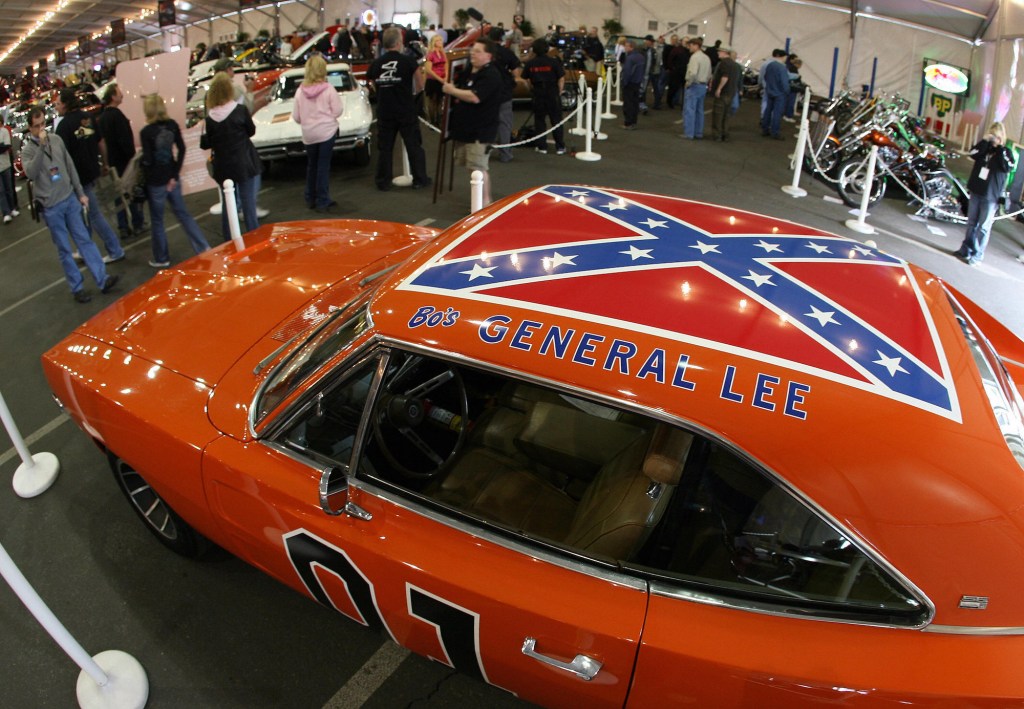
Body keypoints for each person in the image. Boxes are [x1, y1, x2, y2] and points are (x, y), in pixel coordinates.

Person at [22, 106, 117, 303]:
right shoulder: (27, 151)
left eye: (43, 124)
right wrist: (40, 147)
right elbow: (31, 173)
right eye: (36, 126)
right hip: (51, 207)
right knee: (64, 249)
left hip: (69, 199)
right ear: (29, 128)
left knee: (84, 240)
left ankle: (102, 278)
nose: (41, 129)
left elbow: (70, 166)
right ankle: (77, 287)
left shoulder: (56, 140)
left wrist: (80, 193)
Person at [54, 88, 125, 265]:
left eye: (57, 103)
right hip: (92, 170)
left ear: (64, 104)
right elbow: (100, 141)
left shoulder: (63, 127)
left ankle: (115, 249)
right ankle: (85, 249)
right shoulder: (88, 118)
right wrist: (105, 163)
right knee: (83, 213)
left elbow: (61, 157)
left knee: (93, 214)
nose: (55, 107)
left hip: (78, 177)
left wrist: (58, 180)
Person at [140, 94, 210, 268]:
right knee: (183, 214)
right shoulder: (172, 125)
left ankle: (161, 257)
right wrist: (174, 175)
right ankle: (203, 247)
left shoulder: (146, 132)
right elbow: (182, 149)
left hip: (156, 181)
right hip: (172, 177)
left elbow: (148, 159)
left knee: (157, 220)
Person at [366, 26, 431, 191]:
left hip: (384, 110)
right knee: (413, 145)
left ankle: (383, 181)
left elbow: (372, 85)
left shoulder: (376, 64)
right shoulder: (408, 61)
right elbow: (420, 84)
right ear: (399, 42)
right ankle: (419, 179)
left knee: (385, 147)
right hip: (405, 109)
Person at [442, 37, 502, 205]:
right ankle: (479, 202)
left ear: (488, 56)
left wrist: (452, 90)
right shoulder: (469, 71)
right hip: (466, 129)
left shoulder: (491, 75)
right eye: (472, 50)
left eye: (478, 51)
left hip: (480, 131)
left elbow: (475, 97)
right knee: (472, 167)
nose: (472, 54)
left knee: (479, 168)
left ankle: (485, 203)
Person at [203, 71, 262, 239]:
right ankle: (253, 237)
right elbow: (251, 131)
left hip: (223, 166)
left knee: (229, 205)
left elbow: (210, 142)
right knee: (248, 204)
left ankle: (228, 239)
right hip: (244, 163)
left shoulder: (210, 118)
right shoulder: (240, 110)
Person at [955, 122, 1017, 266]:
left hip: (991, 196)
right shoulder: (984, 148)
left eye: (996, 136)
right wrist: (984, 141)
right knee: (971, 223)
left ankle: (977, 255)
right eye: (992, 135)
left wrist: (1000, 148)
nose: (993, 138)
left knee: (983, 227)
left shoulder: (1005, 152)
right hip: (976, 191)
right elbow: (972, 153)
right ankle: (966, 249)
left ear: (1001, 137)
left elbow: (1008, 166)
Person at [291, 54, 342, 211]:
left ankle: (310, 197)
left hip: (309, 134)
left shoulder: (300, 91)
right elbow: (338, 110)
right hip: (326, 132)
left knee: (312, 165)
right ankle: (322, 200)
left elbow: (296, 116)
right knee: (323, 167)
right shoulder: (329, 89)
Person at [97, 83, 146, 239]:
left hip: (112, 162)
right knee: (131, 192)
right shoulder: (118, 116)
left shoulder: (102, 118)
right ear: (113, 96)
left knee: (118, 196)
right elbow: (125, 141)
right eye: (119, 92)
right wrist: (133, 158)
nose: (122, 94)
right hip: (125, 162)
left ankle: (123, 226)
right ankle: (138, 223)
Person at [521, 39, 566, 155]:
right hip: (552, 93)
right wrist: (559, 91)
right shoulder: (554, 62)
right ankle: (560, 147)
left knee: (540, 121)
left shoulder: (530, 63)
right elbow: (561, 78)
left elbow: (525, 79)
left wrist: (530, 88)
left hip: (538, 93)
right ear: (547, 49)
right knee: (556, 120)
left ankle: (542, 147)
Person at [488, 26, 521, 163]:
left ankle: (485, 152)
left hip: (487, 93)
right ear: (502, 38)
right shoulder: (507, 53)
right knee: (505, 124)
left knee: (487, 123)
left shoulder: (484, 52)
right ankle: (505, 154)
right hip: (504, 93)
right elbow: (516, 73)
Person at [682, 37, 711, 139]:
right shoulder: (706, 58)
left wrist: (688, 83)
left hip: (694, 85)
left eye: (690, 45)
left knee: (689, 110)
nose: (689, 47)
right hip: (703, 86)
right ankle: (698, 133)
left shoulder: (694, 57)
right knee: (699, 111)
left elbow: (693, 73)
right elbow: (709, 74)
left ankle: (689, 133)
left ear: (695, 45)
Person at [710, 45, 740, 141]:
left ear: (725, 52)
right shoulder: (735, 65)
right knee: (726, 115)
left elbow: (725, 77)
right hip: (731, 93)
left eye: (720, 51)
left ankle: (717, 135)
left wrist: (719, 88)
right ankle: (725, 134)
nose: (718, 53)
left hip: (723, 93)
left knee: (718, 115)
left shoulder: (724, 63)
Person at [760, 49, 790, 140]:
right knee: (777, 113)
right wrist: (787, 91)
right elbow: (784, 82)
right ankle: (775, 132)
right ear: (782, 57)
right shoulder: (782, 68)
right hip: (780, 93)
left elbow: (765, 77)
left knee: (767, 110)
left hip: (770, 91)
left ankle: (765, 129)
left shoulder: (770, 65)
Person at [422, 34, 448, 125]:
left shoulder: (442, 53)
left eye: (440, 40)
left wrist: (445, 77)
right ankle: (432, 121)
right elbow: (428, 70)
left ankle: (438, 119)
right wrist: (439, 79)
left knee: (440, 100)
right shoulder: (430, 54)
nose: (440, 42)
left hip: (441, 79)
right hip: (432, 80)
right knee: (432, 100)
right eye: (438, 41)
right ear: (434, 43)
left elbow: (446, 65)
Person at [620, 40, 645, 130]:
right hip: (637, 83)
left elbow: (627, 72)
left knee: (628, 104)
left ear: (631, 47)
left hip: (629, 83)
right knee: (635, 103)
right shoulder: (641, 57)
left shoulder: (630, 58)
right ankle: (634, 122)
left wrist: (624, 82)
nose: (625, 48)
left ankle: (628, 123)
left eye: (626, 46)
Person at [0, 120, 17, 223]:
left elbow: (6, 146)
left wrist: (2, 146)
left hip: (6, 165)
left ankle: (12, 208)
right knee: (0, 191)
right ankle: (6, 213)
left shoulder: (4, 131)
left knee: (9, 188)